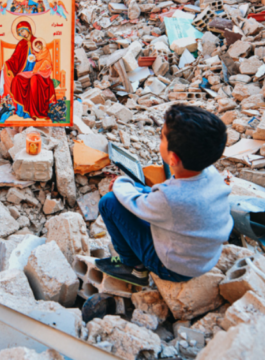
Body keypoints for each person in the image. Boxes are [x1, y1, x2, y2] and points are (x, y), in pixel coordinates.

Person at [95, 104, 233, 286]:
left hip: (174, 268)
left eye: (162, 137)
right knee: (139, 189)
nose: (159, 140)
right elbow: (165, 198)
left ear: (173, 159)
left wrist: (120, 183)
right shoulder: (211, 173)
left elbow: (137, 202)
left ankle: (134, 268)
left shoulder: (172, 198)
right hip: (204, 257)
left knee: (110, 202)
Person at [0, 21, 56, 121]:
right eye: (20, 32)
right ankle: (22, 111)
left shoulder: (37, 42)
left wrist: (37, 61)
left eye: (23, 30)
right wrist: (7, 64)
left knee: (34, 81)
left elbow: (46, 57)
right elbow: (15, 58)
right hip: (25, 72)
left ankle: (34, 112)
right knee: (17, 79)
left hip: (39, 71)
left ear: (28, 29)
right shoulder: (21, 44)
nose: (22, 33)